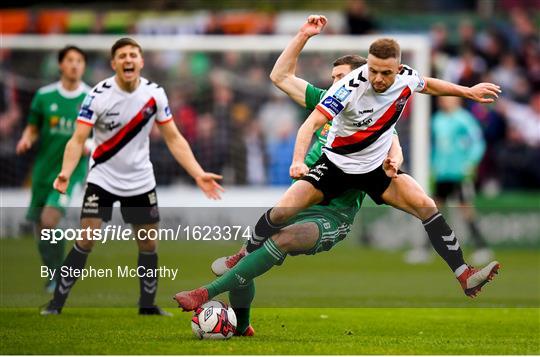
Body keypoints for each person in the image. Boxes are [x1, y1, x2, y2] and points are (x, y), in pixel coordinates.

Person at [175, 35, 503, 315]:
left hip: (373, 171)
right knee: (282, 209)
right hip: (335, 167)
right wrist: (298, 161)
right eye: (372, 70)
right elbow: (309, 125)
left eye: (384, 73)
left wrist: (468, 92)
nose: (377, 78)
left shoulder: (405, 77)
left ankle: (463, 273)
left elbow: (427, 85)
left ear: (397, 68)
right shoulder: (348, 88)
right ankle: (244, 254)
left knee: (426, 204)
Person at [176, 16, 403, 335]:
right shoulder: (328, 103)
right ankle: (242, 327)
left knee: (280, 241)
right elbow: (280, 75)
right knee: (251, 261)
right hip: (299, 200)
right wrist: (303, 35)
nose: (336, 83)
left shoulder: (376, 119)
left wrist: (393, 161)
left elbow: (393, 145)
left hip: (333, 216)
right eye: (332, 77)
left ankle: (205, 293)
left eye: (342, 77)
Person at [40, 38, 224, 316]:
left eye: (133, 55)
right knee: (87, 239)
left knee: (149, 243)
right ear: (114, 63)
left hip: (140, 180)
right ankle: (56, 303)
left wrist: (198, 174)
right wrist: (65, 172)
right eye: (122, 55)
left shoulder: (155, 94)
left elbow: (174, 138)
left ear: (141, 61)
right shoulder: (98, 95)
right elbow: (77, 139)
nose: (128, 59)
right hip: (102, 177)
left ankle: (147, 306)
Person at [16, 46, 90, 293]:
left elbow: (99, 133)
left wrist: (91, 144)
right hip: (43, 170)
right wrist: (27, 138)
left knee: (49, 220)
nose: (74, 65)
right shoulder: (44, 96)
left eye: (79, 60)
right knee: (41, 227)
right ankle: (53, 272)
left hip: (71, 171)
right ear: (60, 65)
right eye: (70, 60)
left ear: (84, 66)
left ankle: (61, 274)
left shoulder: (91, 97)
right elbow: (33, 126)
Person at [406, 96, 493, 265]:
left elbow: (477, 143)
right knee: (433, 211)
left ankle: (481, 248)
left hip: (459, 173)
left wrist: (470, 162)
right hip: (442, 174)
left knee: (466, 209)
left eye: (448, 98)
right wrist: (433, 165)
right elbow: (435, 146)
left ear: (457, 101)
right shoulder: (437, 120)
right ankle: (425, 249)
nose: (444, 101)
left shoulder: (464, 119)